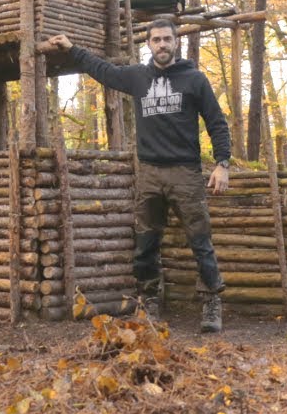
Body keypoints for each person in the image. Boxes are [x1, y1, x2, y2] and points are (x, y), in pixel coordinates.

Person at [47, 19, 231, 334]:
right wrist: (72, 50)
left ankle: (212, 302)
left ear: (176, 43)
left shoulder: (195, 79)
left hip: (186, 172)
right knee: (146, 242)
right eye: (156, 39)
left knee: (200, 241)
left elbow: (216, 122)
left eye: (167, 39)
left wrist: (222, 163)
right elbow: (102, 70)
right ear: (148, 44)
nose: (162, 44)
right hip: (149, 172)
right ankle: (149, 302)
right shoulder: (138, 78)